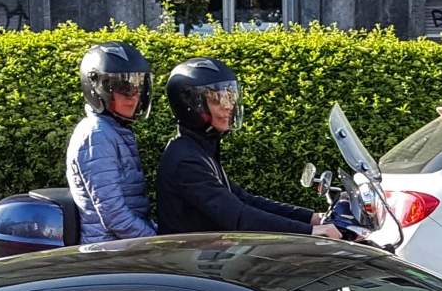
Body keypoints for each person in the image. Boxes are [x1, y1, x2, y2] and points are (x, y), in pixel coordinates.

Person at [154, 58, 342, 238]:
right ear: (191, 107)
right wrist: (309, 232)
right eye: (216, 100)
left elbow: (244, 200)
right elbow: (238, 216)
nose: (228, 106)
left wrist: (311, 218)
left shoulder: (199, 149)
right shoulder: (185, 161)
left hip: (204, 254)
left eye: (229, 96)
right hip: (189, 261)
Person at [66, 41, 156, 242]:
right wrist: (154, 240)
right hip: (109, 252)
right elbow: (113, 214)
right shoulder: (96, 135)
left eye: (138, 87)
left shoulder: (115, 130)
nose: (133, 97)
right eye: (123, 88)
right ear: (96, 88)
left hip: (124, 245)